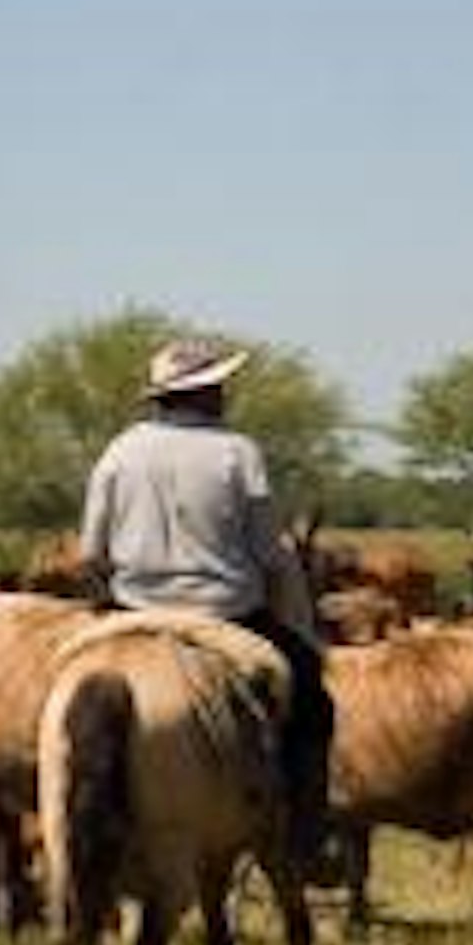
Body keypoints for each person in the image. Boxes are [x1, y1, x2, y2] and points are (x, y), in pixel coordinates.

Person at [75, 337, 334, 862]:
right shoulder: (238, 453)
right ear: (203, 393)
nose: (225, 395)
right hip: (227, 616)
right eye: (219, 386)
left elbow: (90, 553)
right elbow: (268, 551)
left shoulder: (119, 452)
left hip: (133, 615)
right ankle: (303, 833)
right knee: (311, 694)